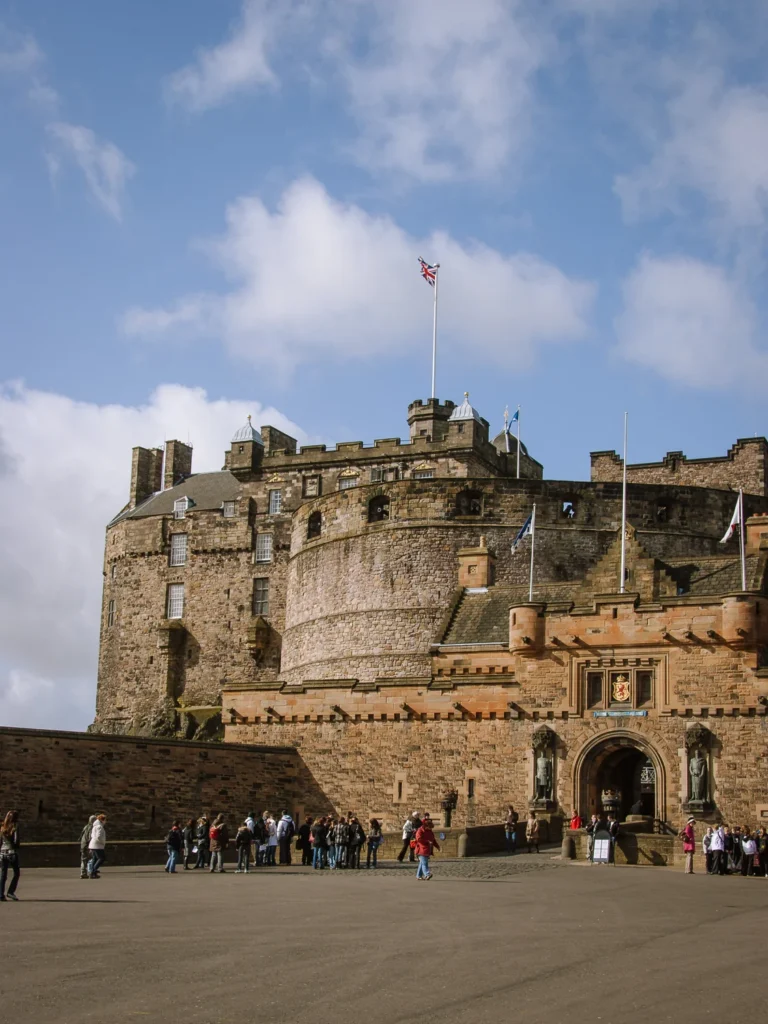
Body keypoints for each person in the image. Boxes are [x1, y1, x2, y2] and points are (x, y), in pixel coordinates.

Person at [0, 810, 21, 901]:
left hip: (2, 852)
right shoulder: (14, 827)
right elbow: (16, 841)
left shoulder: (2, 827)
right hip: (11, 852)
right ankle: (10, 892)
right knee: (16, 873)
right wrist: (16, 846)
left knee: (3, 874)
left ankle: (0, 894)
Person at [414, 814, 440, 880]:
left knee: (422, 863)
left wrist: (438, 847)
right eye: (430, 827)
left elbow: (433, 840)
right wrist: (427, 842)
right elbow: (419, 839)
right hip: (421, 849)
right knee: (424, 863)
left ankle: (418, 876)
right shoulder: (420, 831)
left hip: (427, 850)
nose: (430, 829)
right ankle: (427, 874)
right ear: (426, 826)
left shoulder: (430, 832)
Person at [88, 813, 107, 878]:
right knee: (102, 858)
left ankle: (93, 873)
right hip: (97, 845)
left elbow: (92, 835)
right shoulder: (100, 827)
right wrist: (102, 842)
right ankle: (93, 871)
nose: (105, 822)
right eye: (105, 820)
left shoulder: (95, 826)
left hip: (93, 845)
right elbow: (98, 837)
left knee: (95, 859)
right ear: (102, 820)